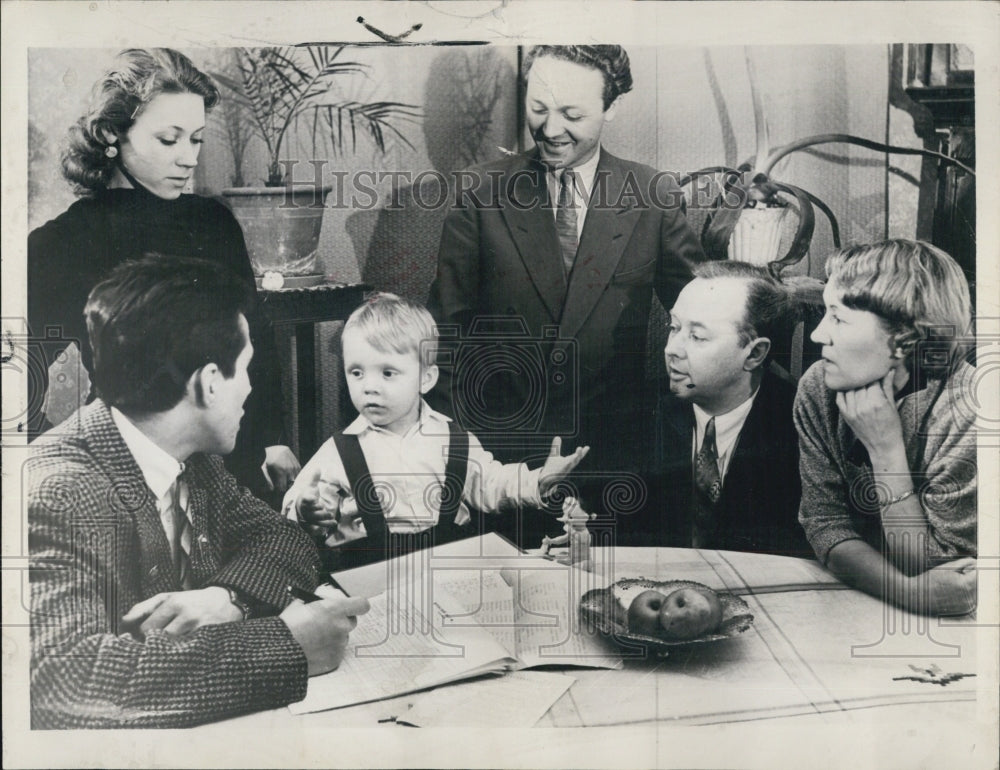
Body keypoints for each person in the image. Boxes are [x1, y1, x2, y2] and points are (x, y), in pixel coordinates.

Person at [28, 256, 371, 729]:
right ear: (209, 383)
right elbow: (63, 679)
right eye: (246, 368)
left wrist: (228, 598)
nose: (250, 387)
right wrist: (287, 645)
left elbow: (284, 537)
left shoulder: (191, 456)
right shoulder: (58, 491)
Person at [27, 48, 298, 500]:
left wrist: (272, 438)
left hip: (238, 464)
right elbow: (16, 374)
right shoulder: (60, 242)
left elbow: (258, 342)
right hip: (132, 477)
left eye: (196, 139)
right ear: (113, 134)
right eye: (169, 140)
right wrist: (59, 463)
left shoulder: (213, 222)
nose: (188, 158)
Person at [427, 44, 706, 484]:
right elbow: (446, 334)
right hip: (500, 456)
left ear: (611, 107)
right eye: (538, 108)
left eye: (572, 116)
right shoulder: (479, 192)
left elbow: (701, 313)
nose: (550, 129)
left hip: (615, 455)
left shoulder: (653, 194)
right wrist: (454, 455)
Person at [282, 293, 590, 568]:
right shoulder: (340, 449)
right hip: (366, 574)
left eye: (388, 373)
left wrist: (539, 480)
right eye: (356, 372)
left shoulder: (453, 439)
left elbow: (490, 483)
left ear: (426, 379)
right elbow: (301, 506)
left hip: (445, 568)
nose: (369, 387)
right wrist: (307, 512)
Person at [795, 239, 977, 615]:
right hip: (867, 604)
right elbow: (825, 524)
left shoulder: (970, 415)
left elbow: (946, 575)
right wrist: (908, 593)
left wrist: (885, 450)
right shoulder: (819, 387)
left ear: (904, 341)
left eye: (838, 317)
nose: (817, 335)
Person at [638, 261, 812, 556]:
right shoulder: (636, 413)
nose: (672, 349)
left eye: (697, 337)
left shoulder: (801, 430)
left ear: (755, 353)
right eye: (674, 328)